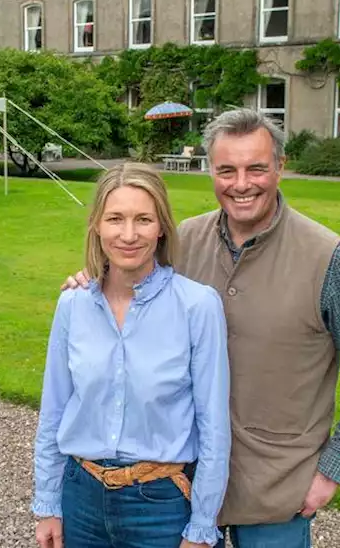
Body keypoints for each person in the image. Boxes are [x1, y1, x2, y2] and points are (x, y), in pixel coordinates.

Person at [64, 109, 340, 548]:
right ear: (212, 171)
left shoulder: (328, 257)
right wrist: (90, 280)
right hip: (182, 485)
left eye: (256, 168)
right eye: (227, 170)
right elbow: (128, 278)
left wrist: (333, 470)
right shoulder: (184, 242)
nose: (241, 184)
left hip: (274, 490)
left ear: (281, 167)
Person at [33, 162, 231, 548]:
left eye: (143, 219)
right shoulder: (73, 304)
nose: (128, 234)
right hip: (82, 498)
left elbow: (214, 428)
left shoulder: (197, 306)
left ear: (161, 228)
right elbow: (53, 411)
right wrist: (47, 505)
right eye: (115, 219)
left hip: (161, 505)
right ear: (96, 225)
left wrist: (203, 527)